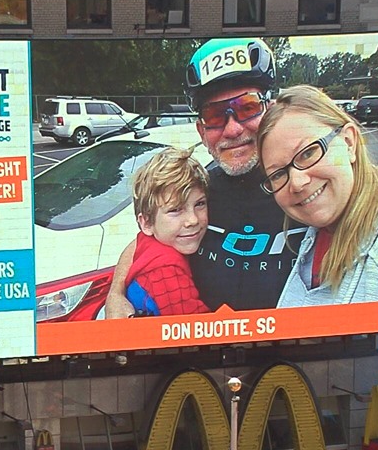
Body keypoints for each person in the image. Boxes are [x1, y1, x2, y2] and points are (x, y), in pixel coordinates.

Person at [105, 37, 301, 318]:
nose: (232, 130)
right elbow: (145, 237)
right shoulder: (198, 188)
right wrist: (116, 294)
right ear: (201, 130)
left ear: (269, 111)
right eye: (215, 115)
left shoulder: (305, 184)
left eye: (247, 108)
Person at [256, 85, 378, 308]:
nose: (297, 183)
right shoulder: (318, 233)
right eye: (279, 174)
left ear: (349, 142)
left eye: (308, 153)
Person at [123, 147, 210, 317]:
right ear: (146, 223)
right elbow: (196, 329)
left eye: (200, 204)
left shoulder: (148, 242)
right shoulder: (166, 271)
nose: (193, 220)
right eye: (176, 209)